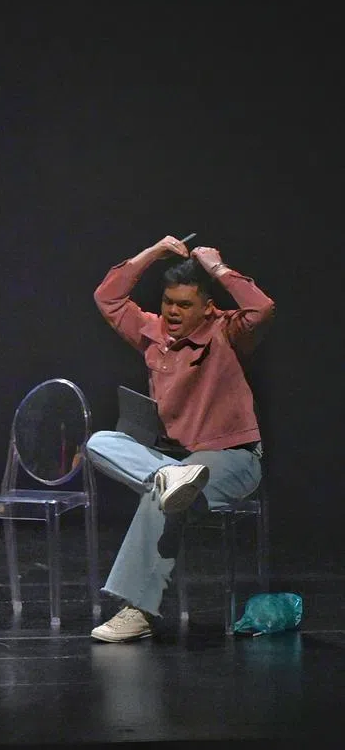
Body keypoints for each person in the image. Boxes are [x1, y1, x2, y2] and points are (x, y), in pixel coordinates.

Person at [87, 235, 275, 642]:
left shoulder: (226, 332)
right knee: (100, 442)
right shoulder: (154, 333)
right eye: (169, 301)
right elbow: (108, 297)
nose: (172, 311)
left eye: (184, 304)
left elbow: (261, 309)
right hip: (175, 458)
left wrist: (217, 269)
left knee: (163, 495)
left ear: (207, 308)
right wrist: (153, 252)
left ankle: (137, 611)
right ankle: (171, 474)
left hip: (233, 458)